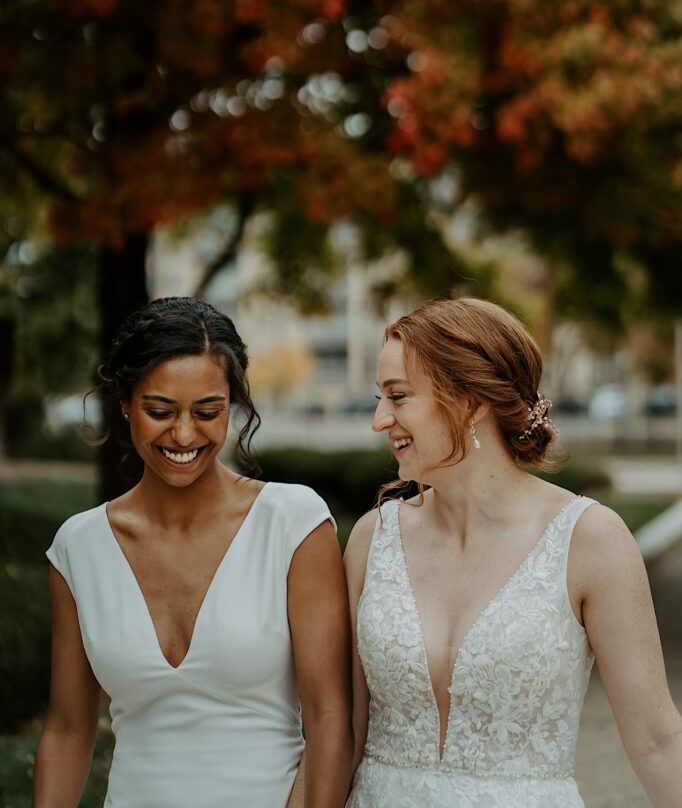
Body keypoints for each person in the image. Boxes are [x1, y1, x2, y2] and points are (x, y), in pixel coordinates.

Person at [344, 297, 682, 808]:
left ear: (470, 400)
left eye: (398, 396)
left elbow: (657, 740)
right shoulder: (372, 539)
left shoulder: (590, 540)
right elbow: (343, 732)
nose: (378, 419)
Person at [34, 296, 352, 808]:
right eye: (159, 411)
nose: (184, 434)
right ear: (124, 405)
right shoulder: (79, 546)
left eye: (208, 412)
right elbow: (69, 730)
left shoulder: (292, 523)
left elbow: (330, 718)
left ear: (234, 405)